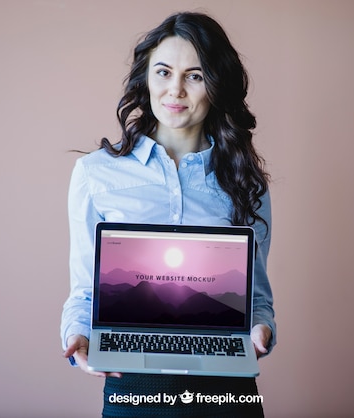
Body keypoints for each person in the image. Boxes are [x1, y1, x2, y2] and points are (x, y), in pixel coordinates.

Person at [61, 12, 276, 417]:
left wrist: (261, 327)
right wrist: (78, 337)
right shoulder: (95, 174)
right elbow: (83, 289)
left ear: (216, 85)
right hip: (134, 387)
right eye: (163, 72)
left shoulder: (246, 182)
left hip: (226, 392)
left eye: (194, 76)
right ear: (146, 78)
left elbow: (257, 298)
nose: (174, 90)